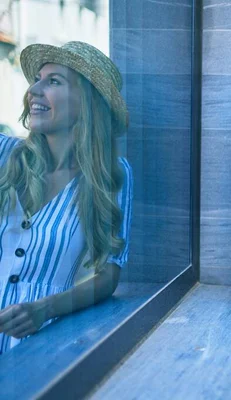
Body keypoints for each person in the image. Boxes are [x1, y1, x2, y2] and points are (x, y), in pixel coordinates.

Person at [0, 42, 133, 354]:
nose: (34, 89)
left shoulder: (112, 175)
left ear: (87, 102)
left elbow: (108, 275)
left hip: (45, 345)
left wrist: (46, 308)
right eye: (37, 79)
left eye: (54, 81)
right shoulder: (6, 156)